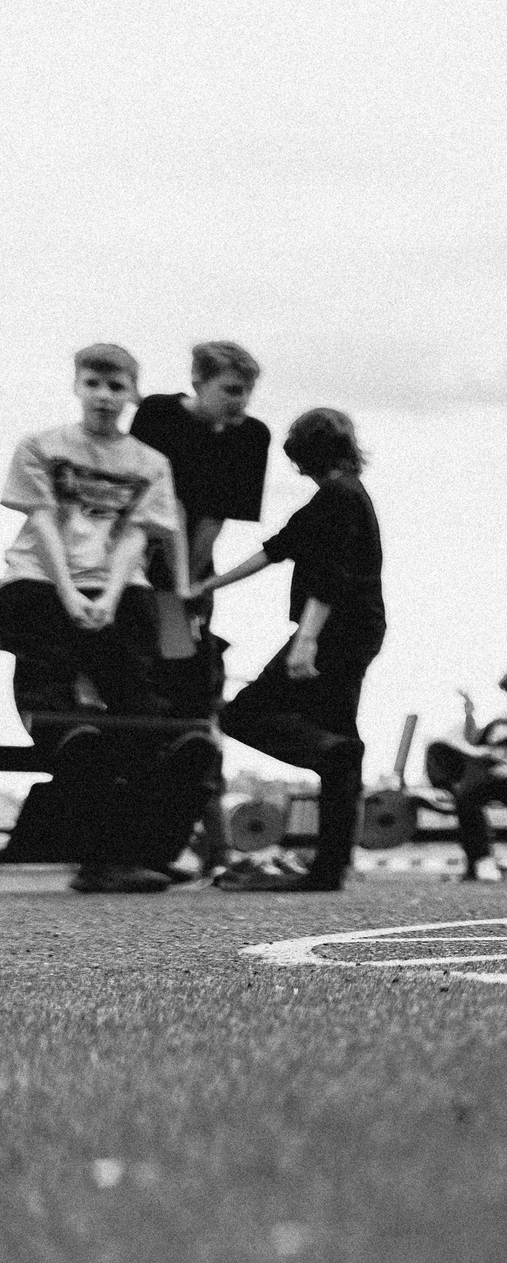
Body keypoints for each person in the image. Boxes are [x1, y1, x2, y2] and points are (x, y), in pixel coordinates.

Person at [196, 409, 385, 892]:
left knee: (243, 715)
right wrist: (205, 585)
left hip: (335, 629)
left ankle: (336, 755)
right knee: (337, 742)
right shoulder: (337, 496)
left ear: (303, 456)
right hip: (354, 628)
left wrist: (307, 640)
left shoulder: (340, 497)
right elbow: (275, 549)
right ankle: (329, 868)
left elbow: (332, 577)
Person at [0, 344, 192, 771]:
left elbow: (136, 537)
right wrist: (68, 593)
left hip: (114, 580)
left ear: (131, 394)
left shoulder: (150, 463)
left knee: (134, 656)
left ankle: (155, 743)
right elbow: (45, 522)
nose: (104, 395)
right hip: (43, 575)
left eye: (116, 387)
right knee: (43, 651)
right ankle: (63, 733)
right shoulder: (41, 447)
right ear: (77, 386)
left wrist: (108, 597)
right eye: (93, 384)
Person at [130, 340, 270, 876]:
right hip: (132, 562)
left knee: (190, 694)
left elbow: (216, 515)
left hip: (184, 577)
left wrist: (187, 585)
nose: (241, 402)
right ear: (199, 381)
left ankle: (208, 842)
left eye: (248, 391)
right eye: (231, 391)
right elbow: (141, 498)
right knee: (138, 690)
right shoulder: (159, 415)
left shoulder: (250, 436)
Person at [432, 666, 507, 880]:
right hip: (483, 766)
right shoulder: (501, 720)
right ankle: (449, 791)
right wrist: (469, 713)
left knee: (467, 795)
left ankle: (481, 860)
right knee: (437, 749)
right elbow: (473, 741)